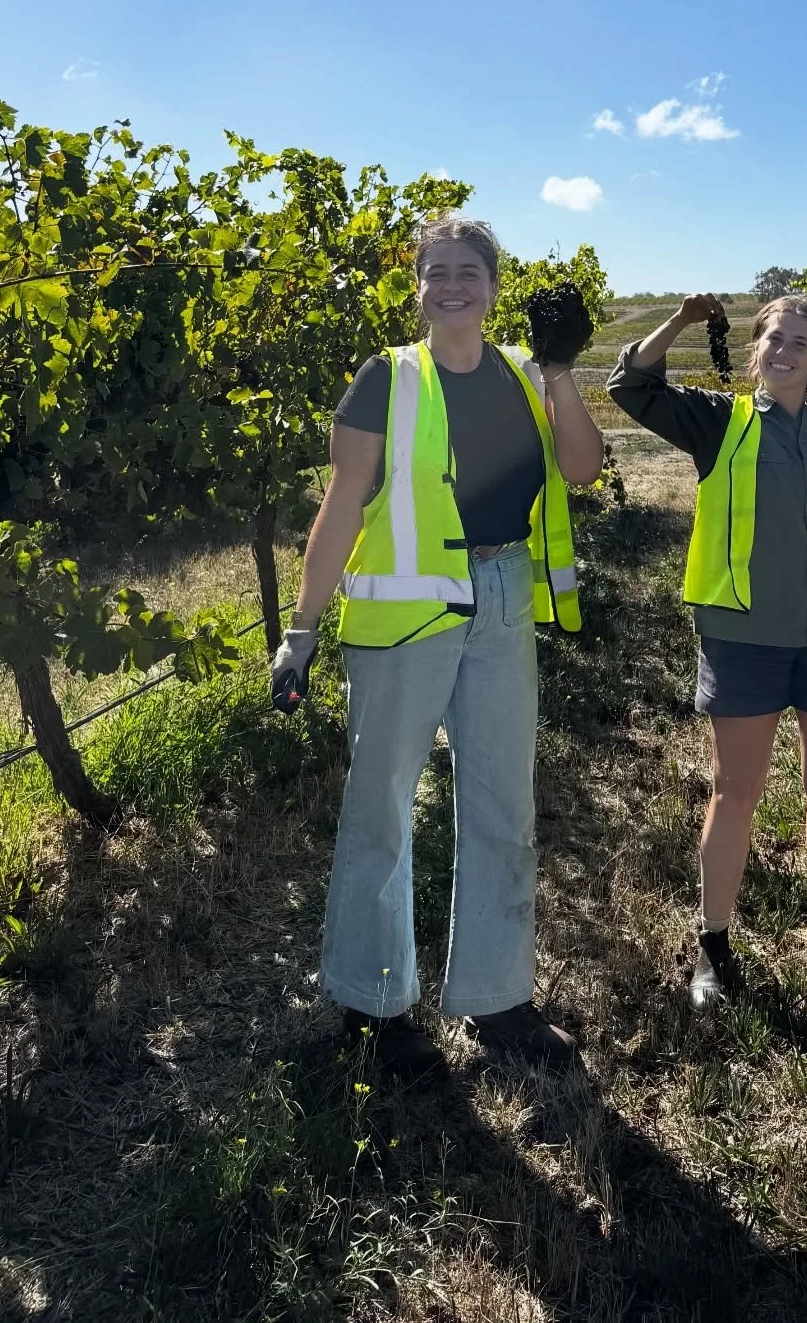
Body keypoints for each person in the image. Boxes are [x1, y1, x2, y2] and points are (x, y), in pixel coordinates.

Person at [271, 218, 604, 1077]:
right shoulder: (387, 377)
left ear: (494, 287)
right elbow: (341, 505)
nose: (451, 285)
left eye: (468, 271)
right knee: (380, 806)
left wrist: (562, 373)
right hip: (403, 620)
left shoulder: (528, 377)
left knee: (504, 802)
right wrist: (301, 630)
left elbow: (581, 468)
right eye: (435, 272)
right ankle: (371, 1004)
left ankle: (497, 998)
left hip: (501, 604)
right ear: (417, 287)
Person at [607, 291, 807, 1011]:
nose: (781, 350)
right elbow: (629, 384)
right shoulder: (719, 422)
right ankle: (713, 945)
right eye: (771, 338)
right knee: (737, 792)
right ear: (756, 349)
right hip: (745, 635)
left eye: (798, 341)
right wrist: (685, 322)